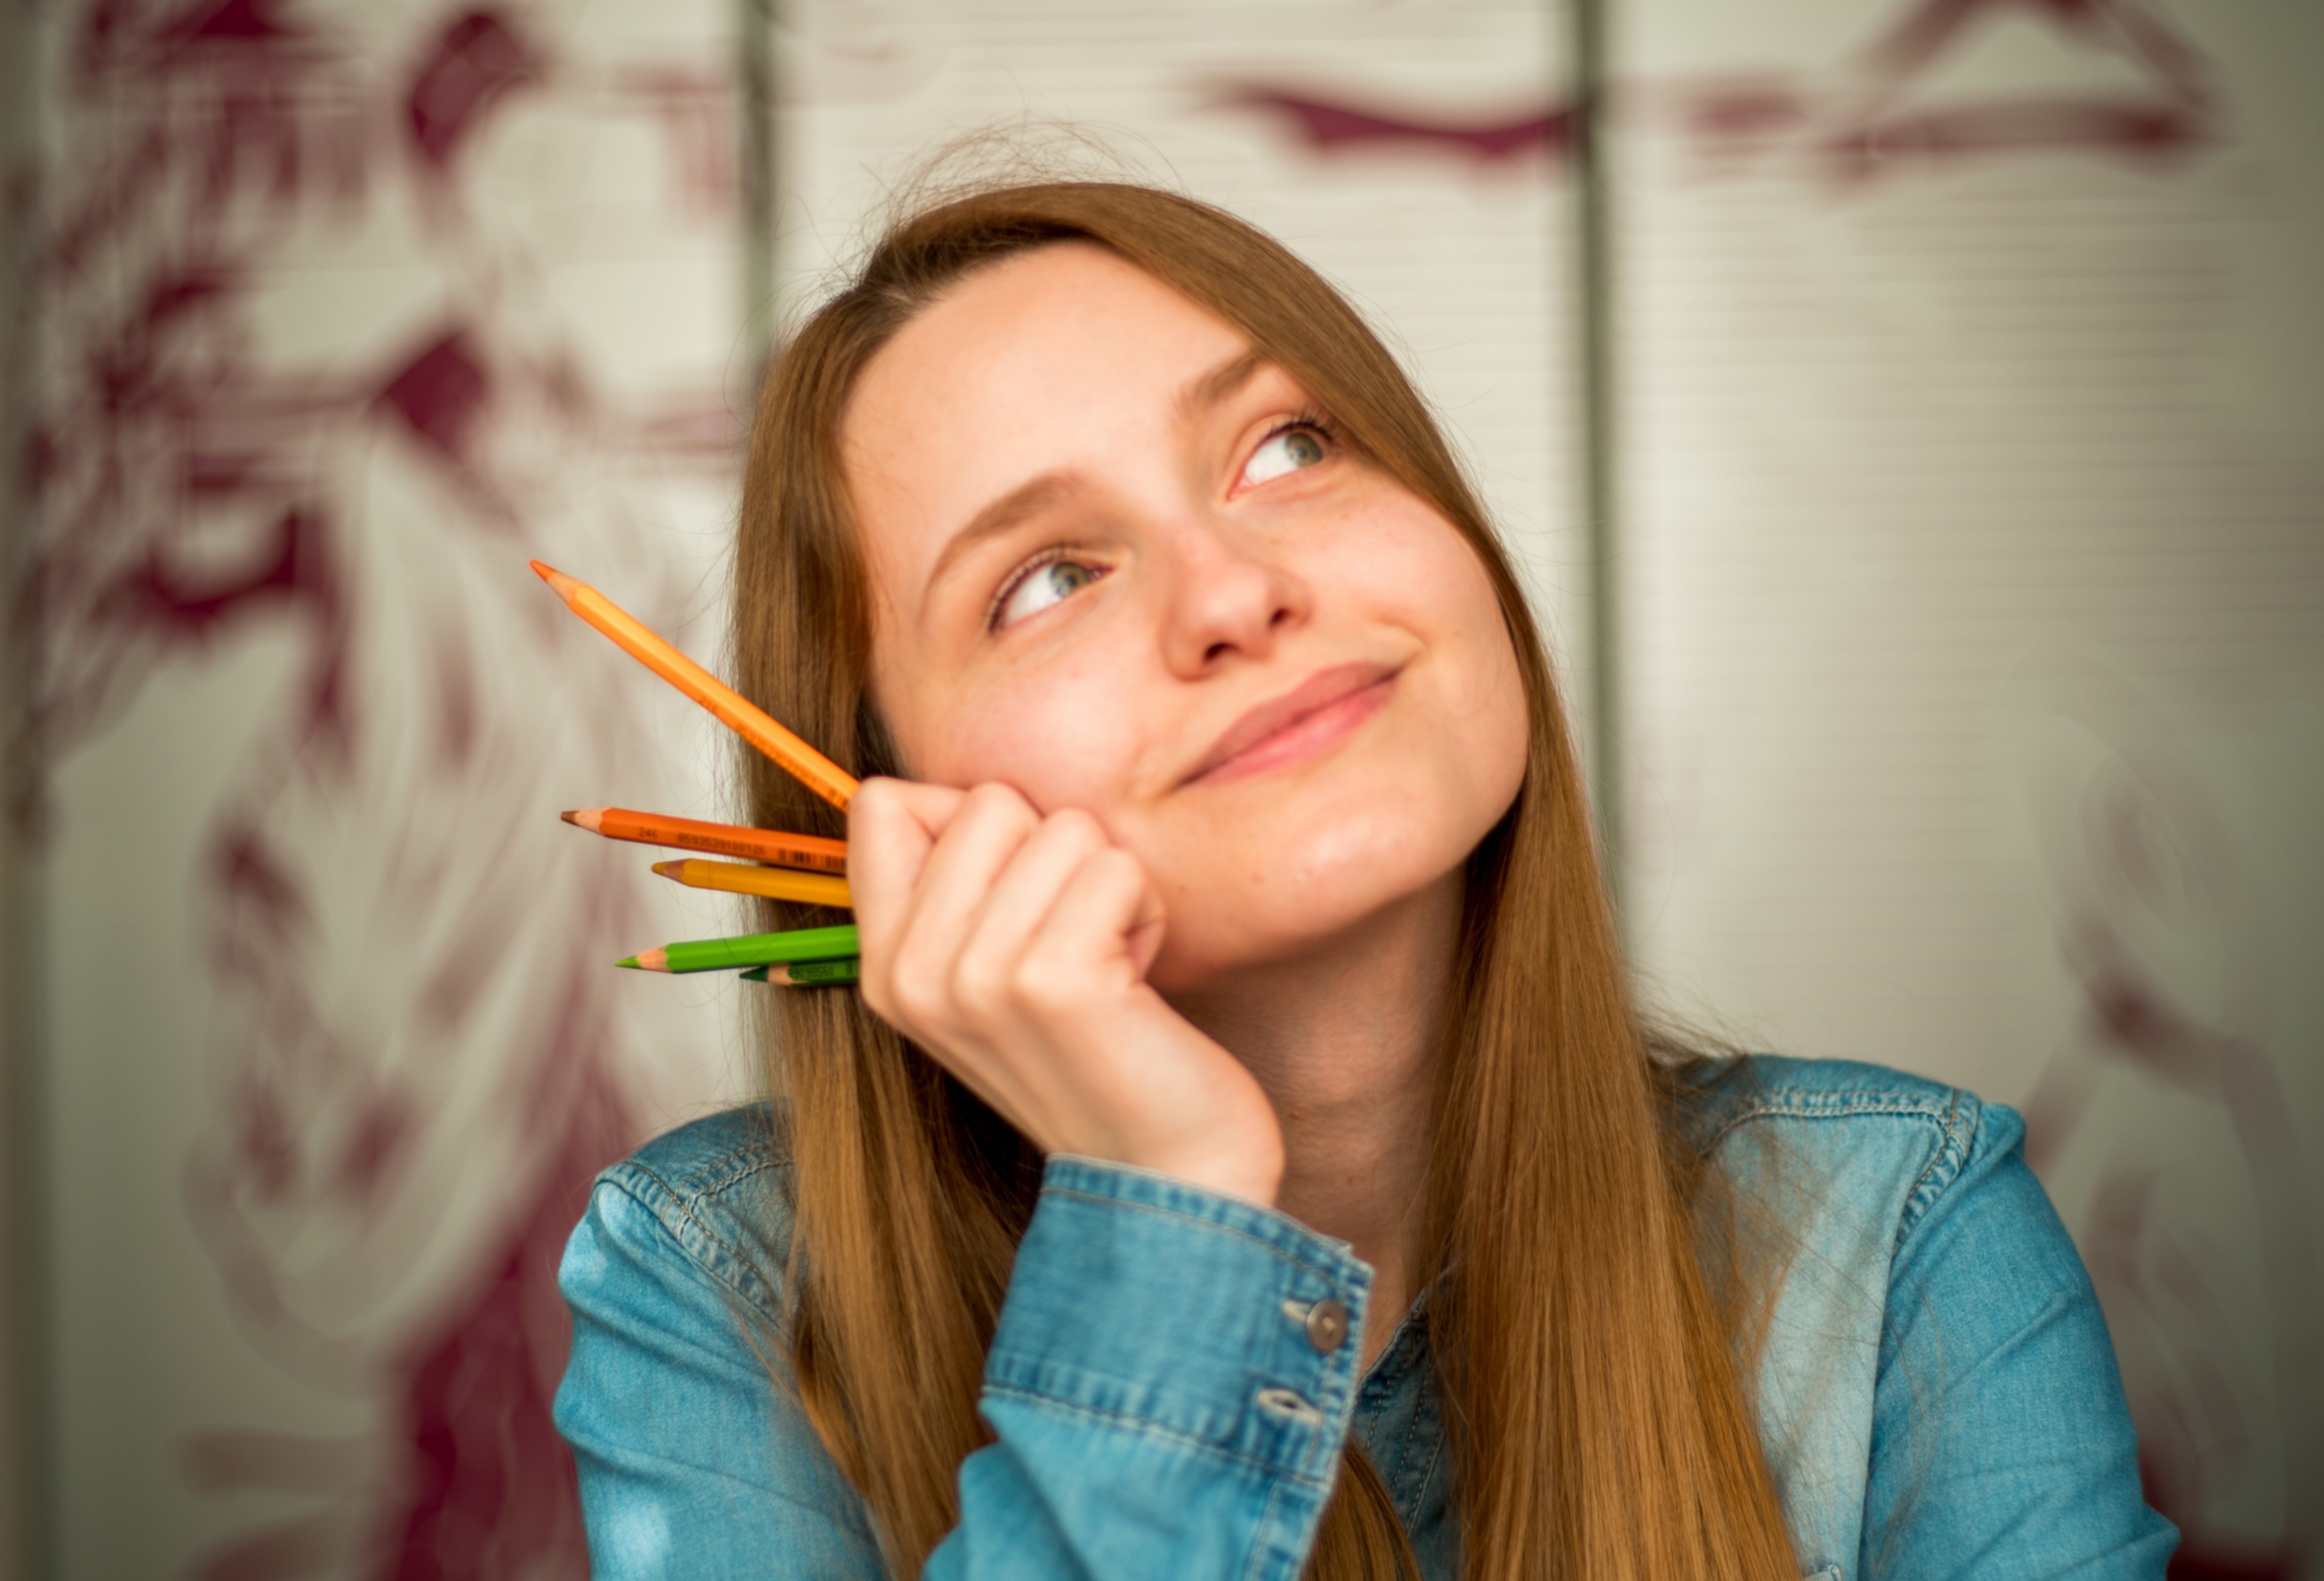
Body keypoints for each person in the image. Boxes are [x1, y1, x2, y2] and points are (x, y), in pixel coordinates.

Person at [551, 180, 2176, 1580]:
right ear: (886, 814)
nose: (1237, 593)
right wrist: (1168, 1209)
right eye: (1048, 577)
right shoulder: (719, 1289)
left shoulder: (1902, 1244)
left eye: (1287, 447)